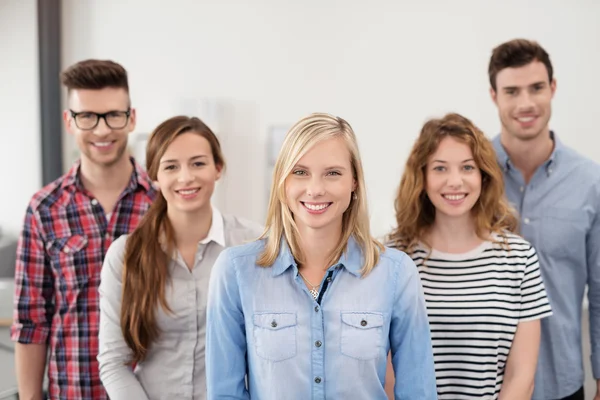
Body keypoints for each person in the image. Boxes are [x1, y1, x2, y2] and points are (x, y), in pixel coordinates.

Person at [205, 112, 437, 399]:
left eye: (333, 173)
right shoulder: (235, 271)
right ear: (282, 181)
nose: (315, 189)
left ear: (354, 182)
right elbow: (225, 393)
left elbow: (419, 391)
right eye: (300, 172)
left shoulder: (396, 272)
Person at [11, 59, 156, 399]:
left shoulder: (162, 204)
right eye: (87, 117)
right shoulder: (44, 208)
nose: (102, 130)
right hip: (73, 391)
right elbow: (31, 322)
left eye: (113, 115)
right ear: (69, 122)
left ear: (131, 118)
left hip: (149, 391)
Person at [386, 113, 553, 399]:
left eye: (467, 167)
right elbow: (386, 367)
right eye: (440, 168)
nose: (455, 181)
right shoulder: (394, 257)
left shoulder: (519, 258)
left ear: (483, 176)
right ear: (422, 177)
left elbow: (521, 377)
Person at [97, 115, 263, 399]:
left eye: (198, 163)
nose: (186, 177)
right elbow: (114, 361)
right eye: (171, 166)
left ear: (218, 168)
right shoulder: (126, 255)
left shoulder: (255, 245)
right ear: (154, 176)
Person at [488, 38, 600, 400]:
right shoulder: (467, 177)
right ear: (494, 96)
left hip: (561, 384)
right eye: (511, 91)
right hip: (481, 387)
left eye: (536, 88)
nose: (525, 103)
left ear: (552, 88)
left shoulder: (590, 183)